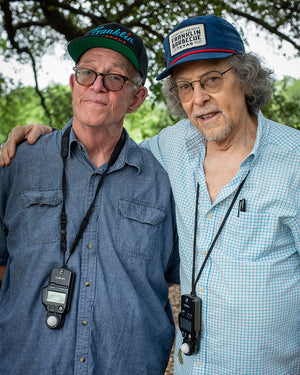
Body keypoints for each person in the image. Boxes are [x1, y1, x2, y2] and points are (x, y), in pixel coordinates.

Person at [2, 14, 300, 374]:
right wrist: (45, 142)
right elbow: (98, 141)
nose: (200, 98)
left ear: (246, 79)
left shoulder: (291, 161)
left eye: (212, 79)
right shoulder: (169, 151)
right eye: (185, 86)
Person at [0, 22, 180, 375]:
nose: (97, 86)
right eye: (87, 73)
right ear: (73, 83)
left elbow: (174, 274)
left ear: (137, 99)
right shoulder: (18, 163)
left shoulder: (162, 180)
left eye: (115, 78)